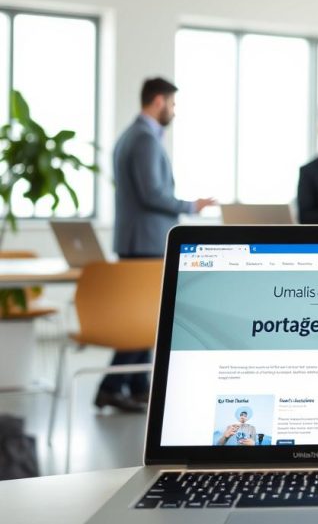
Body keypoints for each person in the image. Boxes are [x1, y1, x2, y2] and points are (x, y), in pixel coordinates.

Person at [108, 77, 215, 413]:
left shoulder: (132, 135)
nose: (173, 110)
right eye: (172, 103)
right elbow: (152, 194)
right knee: (144, 319)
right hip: (147, 241)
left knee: (144, 315)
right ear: (158, 101)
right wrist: (191, 206)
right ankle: (111, 386)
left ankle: (138, 386)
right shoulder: (143, 139)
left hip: (137, 240)